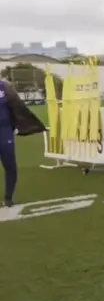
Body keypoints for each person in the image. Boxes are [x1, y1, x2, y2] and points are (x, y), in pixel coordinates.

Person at [0, 79, 45, 207]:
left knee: (10, 166)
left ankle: (8, 198)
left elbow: (18, 107)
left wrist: (19, 125)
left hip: (5, 132)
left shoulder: (5, 87)